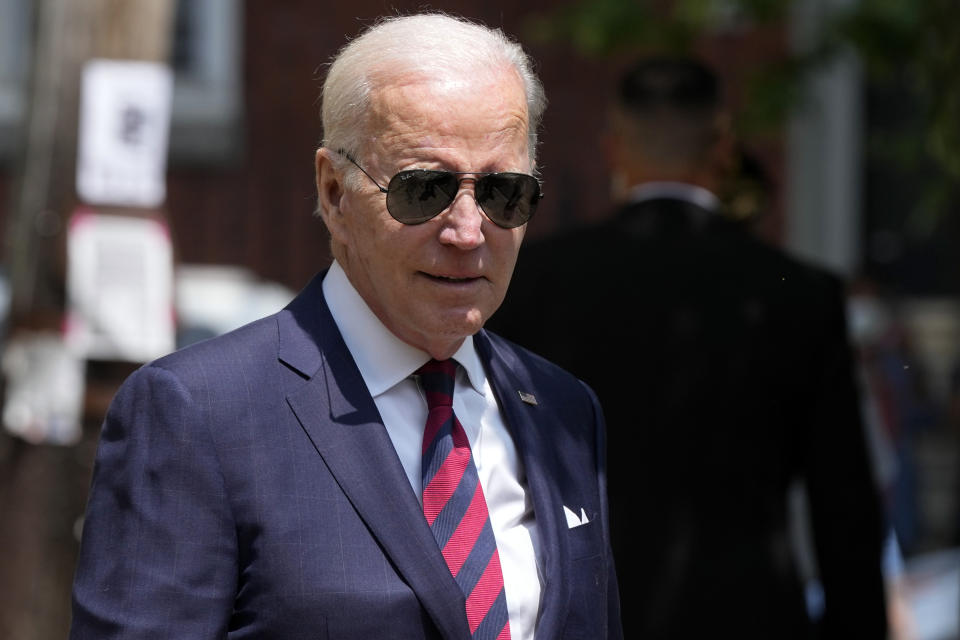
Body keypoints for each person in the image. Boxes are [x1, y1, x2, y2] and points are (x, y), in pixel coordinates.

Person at [69, 14, 622, 640]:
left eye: (503, 193)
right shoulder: (198, 414)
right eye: (425, 189)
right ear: (335, 192)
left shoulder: (562, 409)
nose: (469, 232)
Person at [489, 57, 888, 638]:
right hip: (752, 616)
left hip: (586, 615)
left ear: (612, 149)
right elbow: (843, 505)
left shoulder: (536, 281)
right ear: (723, 149)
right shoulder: (800, 295)